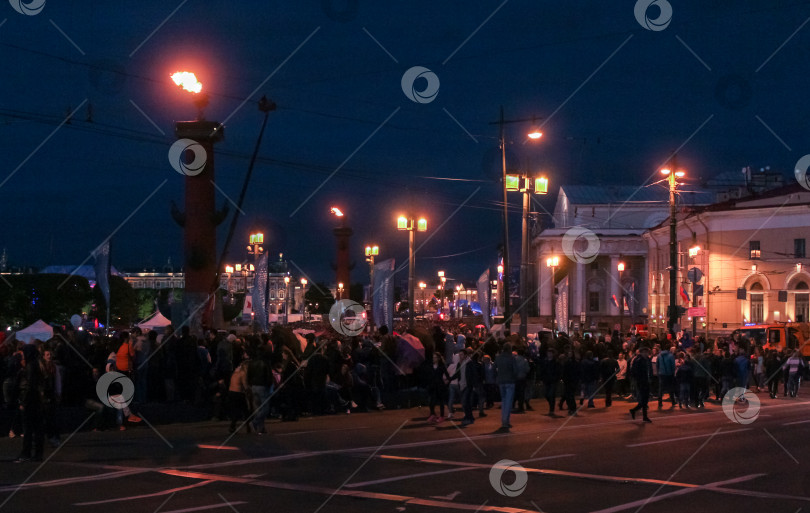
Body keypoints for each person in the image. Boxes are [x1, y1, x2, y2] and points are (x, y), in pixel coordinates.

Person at [495, 343, 517, 431]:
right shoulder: (512, 358)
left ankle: (504, 420)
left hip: (501, 381)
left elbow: (494, 367)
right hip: (510, 381)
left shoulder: (498, 358)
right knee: (508, 401)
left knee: (504, 401)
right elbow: (515, 370)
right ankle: (505, 421)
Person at [629, 346, 653, 423]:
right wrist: (638, 379)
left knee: (645, 399)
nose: (646, 354)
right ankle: (640, 413)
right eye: (645, 352)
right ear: (642, 352)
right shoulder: (638, 360)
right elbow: (634, 371)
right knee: (644, 399)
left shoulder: (646, 360)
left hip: (646, 380)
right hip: (642, 381)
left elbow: (650, 369)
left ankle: (640, 413)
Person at [426, 352, 450, 424]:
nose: (434, 359)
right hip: (433, 386)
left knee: (441, 402)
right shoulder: (431, 366)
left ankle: (442, 416)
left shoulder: (441, 366)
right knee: (431, 402)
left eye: (435, 357)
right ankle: (433, 414)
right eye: (433, 357)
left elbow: (447, 375)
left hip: (440, 386)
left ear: (438, 358)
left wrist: (447, 381)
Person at [540, 348, 561, 416]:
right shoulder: (545, 361)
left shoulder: (555, 362)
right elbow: (542, 370)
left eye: (550, 353)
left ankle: (551, 410)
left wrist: (556, 378)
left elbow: (558, 371)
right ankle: (551, 406)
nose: (549, 354)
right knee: (547, 394)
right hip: (546, 380)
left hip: (553, 380)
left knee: (551, 395)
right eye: (548, 353)